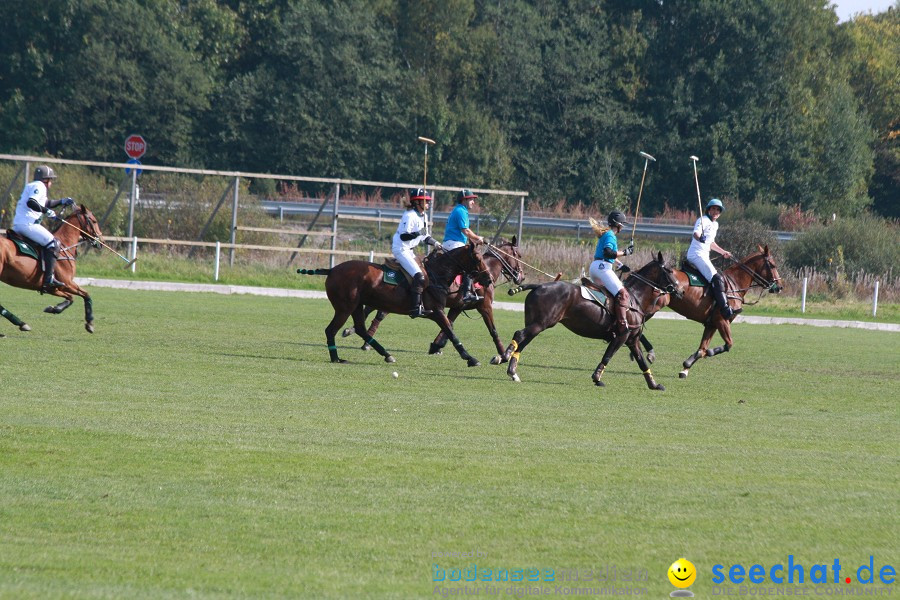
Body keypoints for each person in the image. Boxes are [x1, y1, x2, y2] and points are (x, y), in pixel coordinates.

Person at [12, 165, 75, 292]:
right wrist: (46, 211)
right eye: (50, 179)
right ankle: (49, 279)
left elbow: (45, 203)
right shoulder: (39, 186)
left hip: (20, 223)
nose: (51, 182)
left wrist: (62, 201)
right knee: (54, 242)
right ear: (45, 179)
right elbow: (32, 202)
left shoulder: (32, 185)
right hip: (28, 224)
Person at [392, 188, 442, 318]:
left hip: (410, 250)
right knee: (419, 276)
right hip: (401, 249)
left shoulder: (423, 216)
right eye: (425, 201)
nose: (428, 203)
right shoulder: (409, 215)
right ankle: (415, 308)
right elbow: (404, 237)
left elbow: (425, 236)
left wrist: (436, 243)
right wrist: (417, 233)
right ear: (417, 202)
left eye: (428, 201)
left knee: (426, 275)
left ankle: (421, 304)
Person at [686, 198, 739, 318]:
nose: (715, 211)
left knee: (718, 277)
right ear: (709, 210)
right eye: (713, 209)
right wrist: (700, 238)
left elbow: (711, 243)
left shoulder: (715, 224)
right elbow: (696, 233)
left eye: (718, 210)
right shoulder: (703, 220)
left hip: (704, 255)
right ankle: (724, 308)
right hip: (696, 254)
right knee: (716, 278)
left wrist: (723, 252)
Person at [588, 210, 634, 335]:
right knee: (623, 294)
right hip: (603, 268)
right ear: (618, 224)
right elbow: (608, 252)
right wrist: (626, 252)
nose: (623, 227)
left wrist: (620, 265)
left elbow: (610, 256)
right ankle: (622, 325)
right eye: (622, 224)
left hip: (596, 267)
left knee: (610, 295)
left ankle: (609, 321)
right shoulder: (610, 235)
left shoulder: (606, 234)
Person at [443, 189, 485, 304]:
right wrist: (477, 238)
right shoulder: (461, 211)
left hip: (454, 242)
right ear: (464, 200)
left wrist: (475, 240)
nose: (473, 202)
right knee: (470, 262)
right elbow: (465, 230)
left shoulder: (460, 210)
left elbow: (465, 232)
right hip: (454, 243)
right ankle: (466, 294)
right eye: (471, 199)